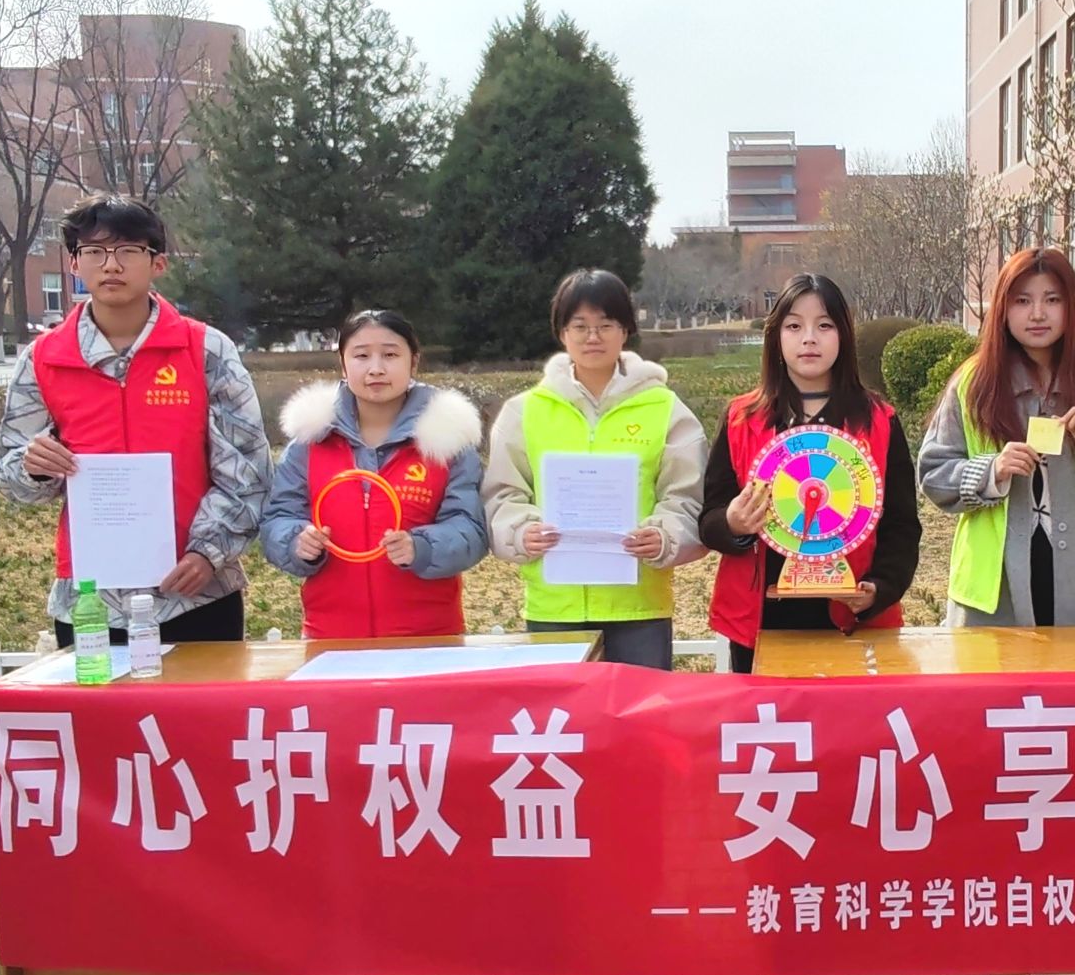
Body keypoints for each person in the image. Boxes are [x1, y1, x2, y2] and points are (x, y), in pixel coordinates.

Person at [0, 197, 271, 646]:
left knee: (203, 698)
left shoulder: (205, 351)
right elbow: (9, 477)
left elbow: (248, 469)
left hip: (195, 593)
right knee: (97, 699)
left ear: (158, 262)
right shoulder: (44, 359)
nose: (111, 265)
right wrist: (34, 466)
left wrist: (208, 553)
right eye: (94, 251)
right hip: (90, 601)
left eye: (128, 251)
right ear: (74, 263)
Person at [481, 269, 707, 667]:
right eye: (580, 326)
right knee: (562, 707)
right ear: (562, 333)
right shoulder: (525, 412)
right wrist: (519, 532)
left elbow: (687, 497)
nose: (592, 337)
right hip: (555, 606)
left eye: (605, 325)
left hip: (639, 607)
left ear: (625, 331)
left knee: (640, 708)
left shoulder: (665, 409)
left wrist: (665, 537)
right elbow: (502, 494)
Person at [919, 247, 1075, 626]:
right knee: (997, 666)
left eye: (1053, 300)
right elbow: (933, 474)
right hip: (994, 592)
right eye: (1022, 301)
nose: (1038, 314)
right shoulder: (974, 383)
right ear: (1003, 309)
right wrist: (991, 471)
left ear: (1072, 307)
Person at [700, 275, 921, 672]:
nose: (809, 339)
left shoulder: (879, 421)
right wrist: (732, 522)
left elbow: (902, 525)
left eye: (824, 325)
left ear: (844, 335)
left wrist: (879, 589)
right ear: (775, 337)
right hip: (761, 621)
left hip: (850, 618)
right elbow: (710, 519)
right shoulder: (741, 419)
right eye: (793, 326)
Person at [261, 310, 488, 638]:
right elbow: (277, 518)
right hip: (330, 637)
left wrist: (421, 547)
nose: (376, 369)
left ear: (414, 362)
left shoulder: (448, 441)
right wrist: (297, 541)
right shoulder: (310, 441)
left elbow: (471, 529)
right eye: (361, 356)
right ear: (343, 364)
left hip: (430, 638)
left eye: (391, 355)